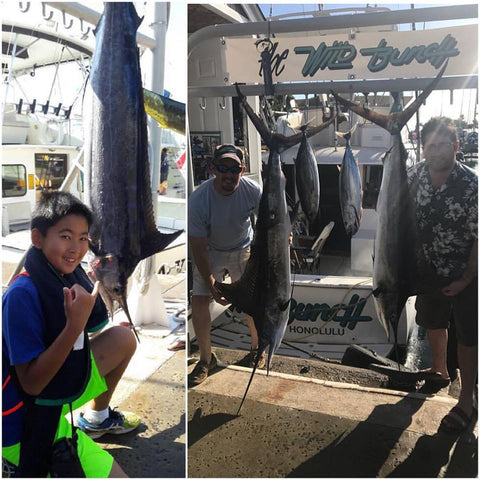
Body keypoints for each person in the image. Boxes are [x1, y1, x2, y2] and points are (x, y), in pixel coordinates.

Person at [2, 191, 140, 477]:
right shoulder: (21, 296)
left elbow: (90, 331)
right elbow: (31, 384)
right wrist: (73, 326)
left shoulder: (64, 276)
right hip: (27, 422)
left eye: (83, 237)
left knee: (123, 338)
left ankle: (98, 419)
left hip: (57, 388)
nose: (76, 248)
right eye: (65, 236)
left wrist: (87, 298)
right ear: (37, 239)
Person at [407, 116, 477, 434]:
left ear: (456, 147)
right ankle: (440, 370)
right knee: (433, 322)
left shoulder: (472, 184)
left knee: (468, 335)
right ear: (423, 149)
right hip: (428, 272)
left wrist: (466, 278)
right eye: (431, 145)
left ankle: (466, 400)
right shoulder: (413, 176)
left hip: (466, 273)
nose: (436, 151)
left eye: (443, 145)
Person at [188, 144, 263, 386]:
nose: (229, 174)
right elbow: (198, 247)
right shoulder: (199, 199)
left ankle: (257, 348)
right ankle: (206, 359)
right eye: (223, 168)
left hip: (243, 248)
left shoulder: (253, 191)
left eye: (235, 169)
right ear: (212, 169)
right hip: (210, 251)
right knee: (199, 301)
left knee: (252, 301)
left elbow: (272, 220)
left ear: (242, 170)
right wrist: (211, 285)